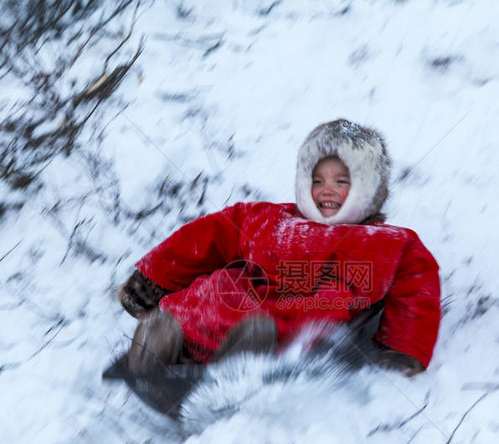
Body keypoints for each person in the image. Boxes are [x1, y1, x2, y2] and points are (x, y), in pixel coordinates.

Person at [115, 119, 441, 411]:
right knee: (176, 317)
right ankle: (156, 357)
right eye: (317, 180)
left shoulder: (383, 240)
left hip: (281, 328)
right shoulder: (272, 217)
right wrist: (154, 277)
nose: (327, 190)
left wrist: (403, 347)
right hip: (224, 306)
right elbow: (209, 235)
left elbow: (416, 282)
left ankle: (229, 383)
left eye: (341, 181)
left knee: (257, 333)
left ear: (367, 189)